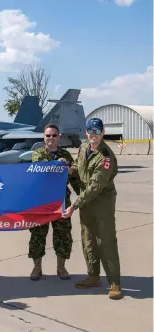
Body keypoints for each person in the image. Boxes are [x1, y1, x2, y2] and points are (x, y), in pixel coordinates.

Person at [62, 117, 122, 300]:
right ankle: (94, 276)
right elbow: (79, 169)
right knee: (88, 239)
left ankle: (115, 283)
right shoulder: (83, 148)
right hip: (86, 202)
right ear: (86, 132)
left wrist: (74, 205)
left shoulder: (106, 157)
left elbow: (96, 186)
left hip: (101, 203)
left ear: (102, 133)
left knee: (106, 242)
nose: (94, 134)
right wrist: (67, 169)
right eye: (91, 131)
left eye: (97, 131)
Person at [28, 124, 80, 281]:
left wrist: (81, 192)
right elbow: (40, 168)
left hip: (61, 201)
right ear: (44, 138)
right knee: (37, 234)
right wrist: (58, 163)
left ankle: (61, 267)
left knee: (63, 234)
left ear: (59, 137)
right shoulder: (38, 154)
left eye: (54, 135)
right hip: (41, 202)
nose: (51, 138)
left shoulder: (66, 155)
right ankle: (37, 267)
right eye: (48, 135)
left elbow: (73, 175)